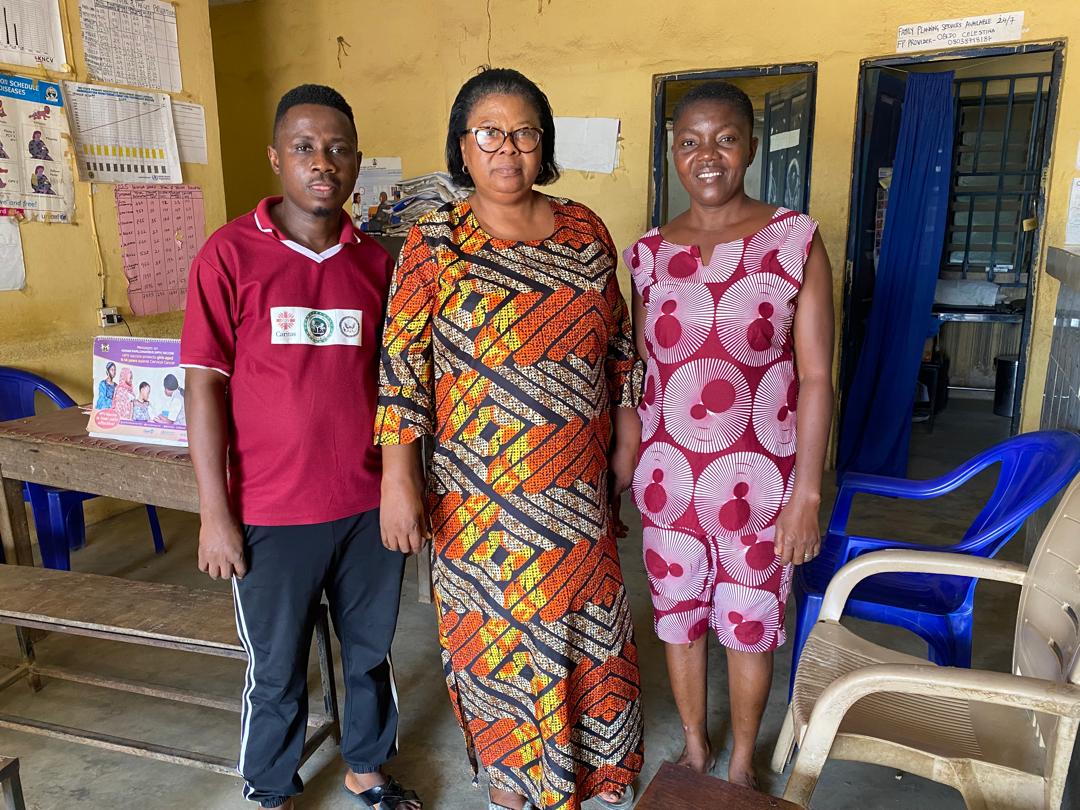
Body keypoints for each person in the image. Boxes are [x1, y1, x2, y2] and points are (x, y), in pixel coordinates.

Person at [375, 68, 643, 810]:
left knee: (585, 630)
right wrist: (398, 479)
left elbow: (619, 343)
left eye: (525, 133)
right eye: (489, 133)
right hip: (479, 494)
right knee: (496, 640)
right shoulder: (435, 240)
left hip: (578, 485)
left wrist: (626, 431)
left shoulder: (586, 232)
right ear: (462, 147)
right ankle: (512, 786)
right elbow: (402, 365)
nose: (508, 149)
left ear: (543, 144)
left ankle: (589, 771)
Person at [181, 84, 422, 810]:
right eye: (305, 148)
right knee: (277, 667)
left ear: (357, 163)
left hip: (366, 507)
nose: (323, 162)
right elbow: (203, 389)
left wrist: (402, 487)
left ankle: (366, 768)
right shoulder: (228, 255)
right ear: (276, 158)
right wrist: (215, 514)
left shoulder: (378, 264)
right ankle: (270, 787)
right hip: (270, 512)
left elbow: (401, 384)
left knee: (370, 653)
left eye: (339, 149)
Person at [624, 81, 833, 790]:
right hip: (668, 482)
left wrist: (807, 494)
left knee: (749, 623)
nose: (707, 156)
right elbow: (645, 373)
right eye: (690, 142)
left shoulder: (794, 239)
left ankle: (742, 763)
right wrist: (629, 466)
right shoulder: (647, 256)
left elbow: (817, 379)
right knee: (677, 620)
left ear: (750, 146)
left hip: (760, 486)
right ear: (673, 153)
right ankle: (695, 747)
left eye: (724, 139)